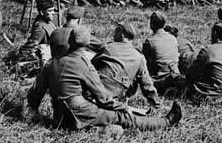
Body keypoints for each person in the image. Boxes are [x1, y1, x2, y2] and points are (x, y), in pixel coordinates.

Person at [26, 26, 182, 131]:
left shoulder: (51, 63)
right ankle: (166, 122)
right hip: (79, 115)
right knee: (124, 118)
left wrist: (35, 113)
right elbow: (103, 99)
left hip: (58, 115)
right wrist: (123, 108)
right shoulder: (84, 65)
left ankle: (98, 128)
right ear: (87, 44)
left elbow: (34, 95)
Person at [91, 22, 161, 108]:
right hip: (116, 98)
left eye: (115, 32)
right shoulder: (139, 57)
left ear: (122, 35)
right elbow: (147, 84)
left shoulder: (107, 48)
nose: (113, 35)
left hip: (95, 93)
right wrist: (156, 104)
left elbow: (90, 67)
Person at [142, 11, 185, 95]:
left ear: (151, 23)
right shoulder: (172, 38)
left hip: (160, 77)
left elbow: (144, 63)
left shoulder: (150, 41)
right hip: (175, 73)